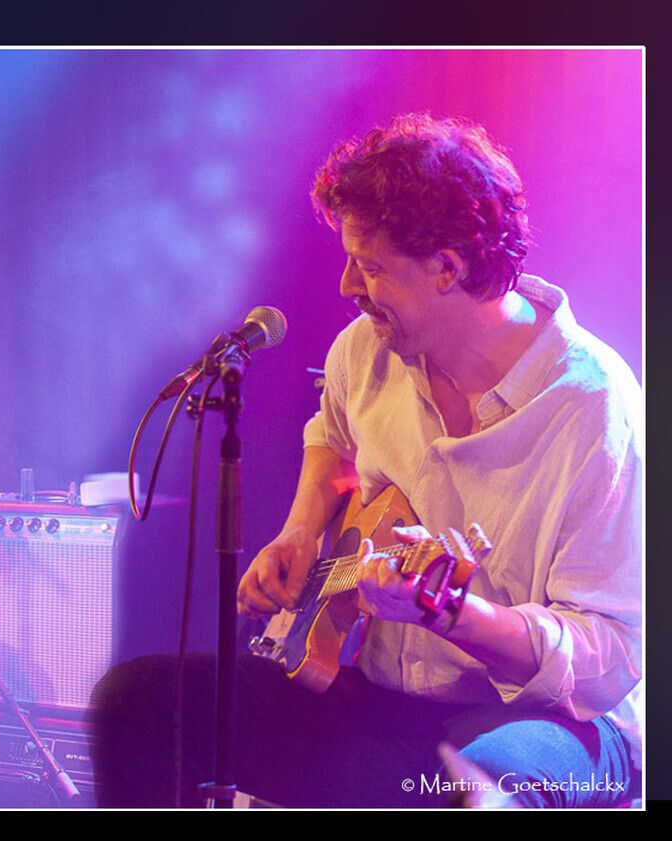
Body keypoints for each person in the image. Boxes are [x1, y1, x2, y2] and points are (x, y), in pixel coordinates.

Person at [91, 114, 641, 808]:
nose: (348, 283)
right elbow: (331, 434)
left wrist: (452, 615)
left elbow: (610, 657)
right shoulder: (365, 348)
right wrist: (300, 530)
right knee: (138, 703)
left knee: (479, 789)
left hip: (553, 721)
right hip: (384, 700)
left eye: (372, 266)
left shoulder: (594, 405)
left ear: (448, 268)